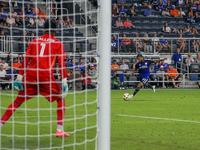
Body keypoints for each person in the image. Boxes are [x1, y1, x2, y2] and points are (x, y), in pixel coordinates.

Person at [0, 19, 70, 137]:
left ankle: (0, 124)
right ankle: (59, 130)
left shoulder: (35, 41)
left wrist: (19, 77)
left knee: (17, 101)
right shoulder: (58, 43)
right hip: (45, 77)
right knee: (60, 98)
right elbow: (61, 64)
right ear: (56, 30)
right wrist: (64, 81)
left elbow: (26, 59)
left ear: (44, 29)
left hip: (30, 76)